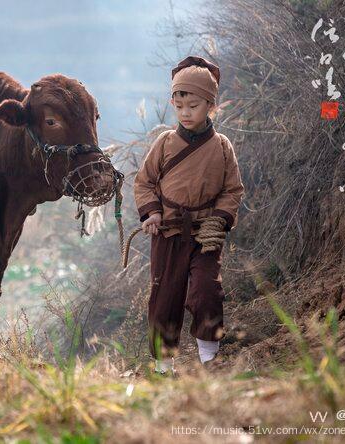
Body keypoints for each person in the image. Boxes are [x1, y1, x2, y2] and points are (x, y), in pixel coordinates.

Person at [133, 55, 245, 375]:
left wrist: (220, 219)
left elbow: (232, 190)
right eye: (179, 105)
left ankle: (210, 362)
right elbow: (144, 183)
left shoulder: (222, 146)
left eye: (193, 105)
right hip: (168, 234)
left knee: (207, 292)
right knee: (164, 297)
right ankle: (163, 367)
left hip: (205, 235)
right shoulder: (165, 143)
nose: (185, 113)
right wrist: (152, 213)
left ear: (210, 104)